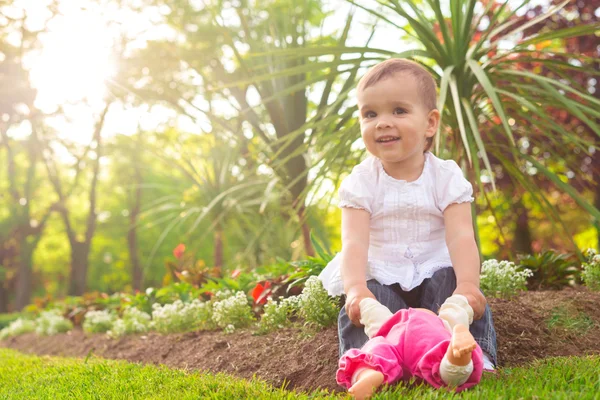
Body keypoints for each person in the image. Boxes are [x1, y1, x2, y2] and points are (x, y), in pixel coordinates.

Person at [317, 58, 497, 374]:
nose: (382, 122)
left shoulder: (446, 177)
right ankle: (370, 364)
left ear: (430, 123)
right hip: (383, 276)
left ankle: (472, 357)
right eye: (370, 114)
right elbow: (354, 243)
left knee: (460, 293)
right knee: (360, 309)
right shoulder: (361, 182)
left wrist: (468, 285)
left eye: (399, 111)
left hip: (434, 274)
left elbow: (461, 237)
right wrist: (357, 288)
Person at [337, 295, 483, 400]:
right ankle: (456, 359)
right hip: (431, 345)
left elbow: (373, 313)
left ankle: (368, 374)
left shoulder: (392, 322)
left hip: (395, 345)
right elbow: (456, 309)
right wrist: (463, 298)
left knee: (376, 349)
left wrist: (363, 302)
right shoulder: (442, 322)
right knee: (445, 367)